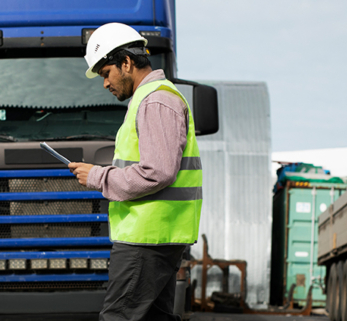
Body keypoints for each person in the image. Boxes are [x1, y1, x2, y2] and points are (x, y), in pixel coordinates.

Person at [68, 22, 203, 321]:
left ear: (126, 63)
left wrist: (97, 176)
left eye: (106, 73)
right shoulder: (153, 98)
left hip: (147, 238)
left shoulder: (155, 100)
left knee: (118, 317)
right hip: (154, 235)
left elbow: (158, 172)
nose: (105, 83)